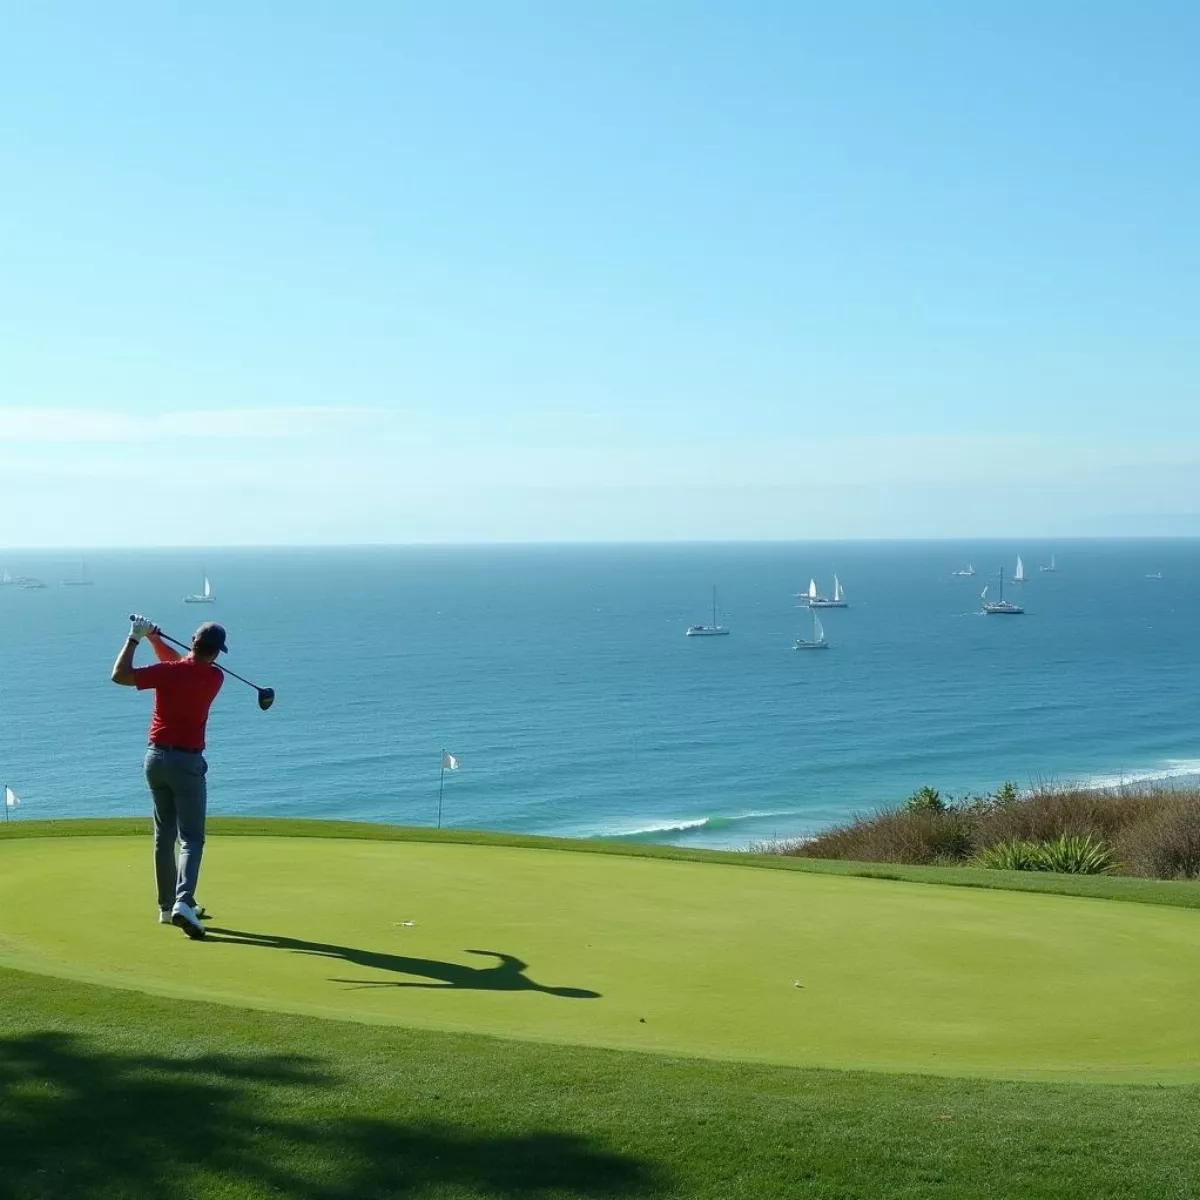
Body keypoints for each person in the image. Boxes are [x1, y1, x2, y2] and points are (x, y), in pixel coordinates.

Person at [111, 614, 226, 940]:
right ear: (216, 654)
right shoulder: (215, 678)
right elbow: (185, 667)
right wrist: (151, 639)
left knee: (165, 835)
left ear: (192, 642)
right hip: (187, 764)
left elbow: (120, 676)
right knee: (192, 838)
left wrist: (138, 636)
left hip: (155, 759)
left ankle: (166, 908)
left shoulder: (169, 672)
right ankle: (183, 903)